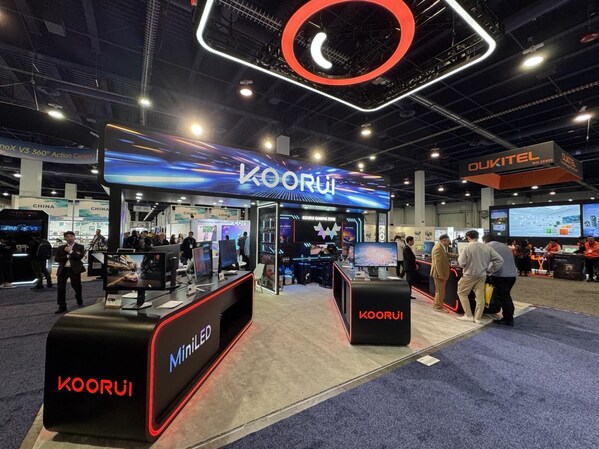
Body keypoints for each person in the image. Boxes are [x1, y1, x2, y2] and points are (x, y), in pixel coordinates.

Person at [456, 230, 503, 324]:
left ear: (468, 237)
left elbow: (461, 262)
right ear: (478, 237)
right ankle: (478, 318)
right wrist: (491, 270)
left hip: (469, 275)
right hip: (482, 275)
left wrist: (466, 266)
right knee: (480, 297)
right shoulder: (487, 247)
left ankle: (468, 315)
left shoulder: (467, 248)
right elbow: (500, 260)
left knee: (462, 293)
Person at [484, 234, 517, 326]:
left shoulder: (488, 246)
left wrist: (489, 271)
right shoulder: (504, 246)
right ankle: (509, 314)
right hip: (512, 275)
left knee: (503, 297)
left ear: (485, 241)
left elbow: (487, 261)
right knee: (506, 296)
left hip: (500, 275)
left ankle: (508, 319)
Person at [54, 231, 86, 314]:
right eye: (67, 236)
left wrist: (71, 251)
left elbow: (79, 257)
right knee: (61, 288)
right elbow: (56, 259)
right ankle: (62, 306)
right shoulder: (61, 247)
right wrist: (67, 256)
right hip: (63, 270)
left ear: (74, 237)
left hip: (74, 270)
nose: (70, 238)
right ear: (65, 238)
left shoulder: (80, 247)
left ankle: (79, 298)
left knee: (76, 286)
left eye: (71, 236)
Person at [430, 234, 458, 313]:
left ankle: (437, 305)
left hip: (440, 273)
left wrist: (459, 255)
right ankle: (438, 307)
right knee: (440, 291)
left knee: (439, 291)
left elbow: (446, 254)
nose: (449, 243)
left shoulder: (441, 247)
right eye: (448, 241)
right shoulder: (438, 248)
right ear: (444, 240)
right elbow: (437, 263)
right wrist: (440, 275)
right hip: (439, 274)